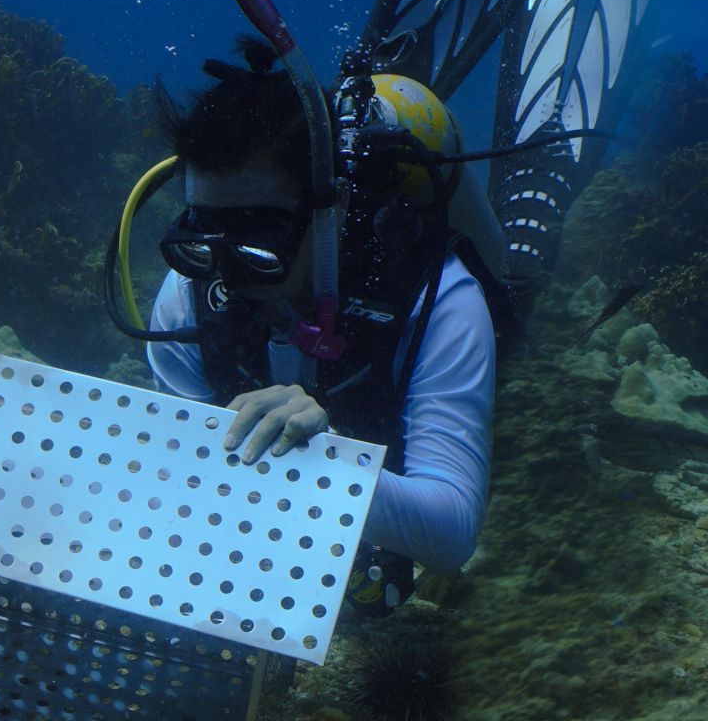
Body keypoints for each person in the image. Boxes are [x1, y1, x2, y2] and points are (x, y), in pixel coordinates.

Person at [133, 37, 511, 612]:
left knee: (527, 287)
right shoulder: (190, 293)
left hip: (416, 389)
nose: (229, 273)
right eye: (205, 234)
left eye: (258, 239)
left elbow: (454, 530)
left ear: (330, 212)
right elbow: (197, 477)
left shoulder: (441, 298)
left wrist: (322, 460)